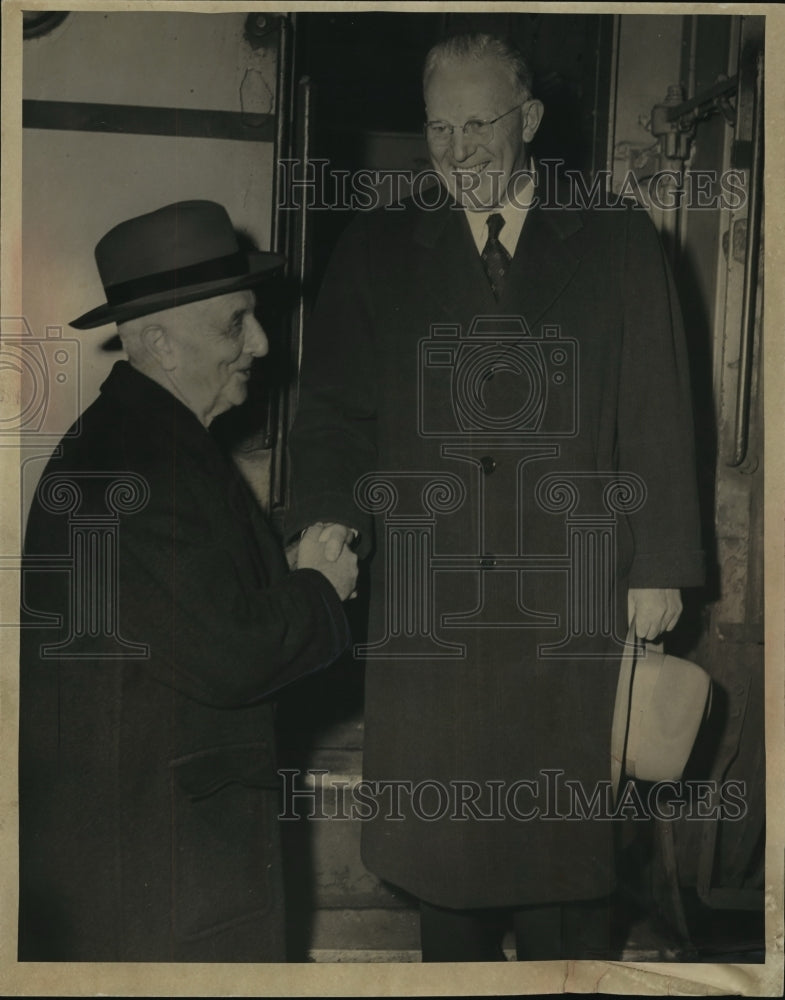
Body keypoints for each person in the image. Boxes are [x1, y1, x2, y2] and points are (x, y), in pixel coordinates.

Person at [286, 32, 704, 962]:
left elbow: (657, 412)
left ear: (531, 121)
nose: (458, 149)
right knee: (450, 864)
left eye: (479, 124)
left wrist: (663, 564)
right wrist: (327, 518)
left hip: (573, 591)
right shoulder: (380, 244)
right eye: (439, 127)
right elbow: (334, 415)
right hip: (432, 598)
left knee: (565, 861)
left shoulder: (615, 236)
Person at [18, 199, 358, 962]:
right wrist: (317, 588)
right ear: (161, 344)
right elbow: (231, 651)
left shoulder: (145, 445)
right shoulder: (137, 471)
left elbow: (197, 603)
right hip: (160, 876)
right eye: (237, 323)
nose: (263, 343)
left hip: (162, 854)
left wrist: (290, 567)